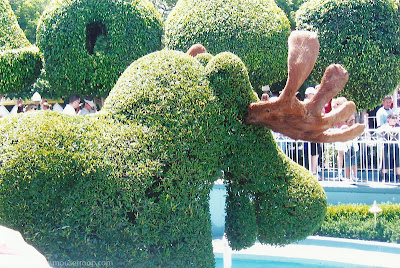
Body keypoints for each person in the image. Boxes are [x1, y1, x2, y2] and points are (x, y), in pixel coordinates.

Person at [303, 87, 321, 178]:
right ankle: (312, 172)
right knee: (312, 152)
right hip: (310, 131)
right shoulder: (306, 104)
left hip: (314, 131)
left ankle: (313, 171)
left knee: (316, 152)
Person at [376, 113, 400, 182]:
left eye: (396, 118)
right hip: (386, 146)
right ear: (388, 119)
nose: (395, 119)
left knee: (398, 161)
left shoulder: (398, 126)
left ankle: (398, 177)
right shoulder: (385, 126)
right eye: (393, 118)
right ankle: (384, 177)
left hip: (395, 146)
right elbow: (378, 130)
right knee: (385, 161)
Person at [335, 114, 359, 182]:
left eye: (352, 120)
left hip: (354, 147)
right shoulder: (344, 127)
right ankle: (347, 177)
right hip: (346, 147)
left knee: (354, 162)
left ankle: (354, 176)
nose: (351, 122)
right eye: (349, 120)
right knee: (347, 162)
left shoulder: (355, 127)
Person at [332, 97, 348, 179]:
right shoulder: (336, 113)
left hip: (347, 134)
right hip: (339, 133)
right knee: (340, 153)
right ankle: (340, 173)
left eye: (338, 104)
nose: (337, 105)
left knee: (348, 154)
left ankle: (349, 174)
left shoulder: (348, 113)